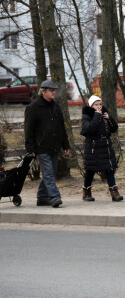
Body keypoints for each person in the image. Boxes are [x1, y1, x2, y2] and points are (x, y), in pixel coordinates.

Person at [24, 80, 70, 208]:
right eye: (51, 90)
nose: (54, 92)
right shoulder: (33, 108)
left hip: (54, 146)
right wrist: (30, 147)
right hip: (41, 147)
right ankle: (55, 197)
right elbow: (28, 130)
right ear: (43, 92)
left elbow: (62, 127)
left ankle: (42, 198)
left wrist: (65, 144)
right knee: (48, 173)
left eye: (54, 90)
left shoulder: (57, 107)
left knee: (51, 172)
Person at [81, 95, 123, 202]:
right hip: (93, 147)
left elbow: (114, 128)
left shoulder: (104, 115)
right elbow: (90, 128)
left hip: (106, 146)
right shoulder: (87, 115)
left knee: (109, 169)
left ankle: (114, 192)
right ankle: (86, 192)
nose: (99, 106)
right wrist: (96, 115)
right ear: (91, 106)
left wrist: (109, 118)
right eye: (96, 105)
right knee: (90, 170)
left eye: (100, 104)